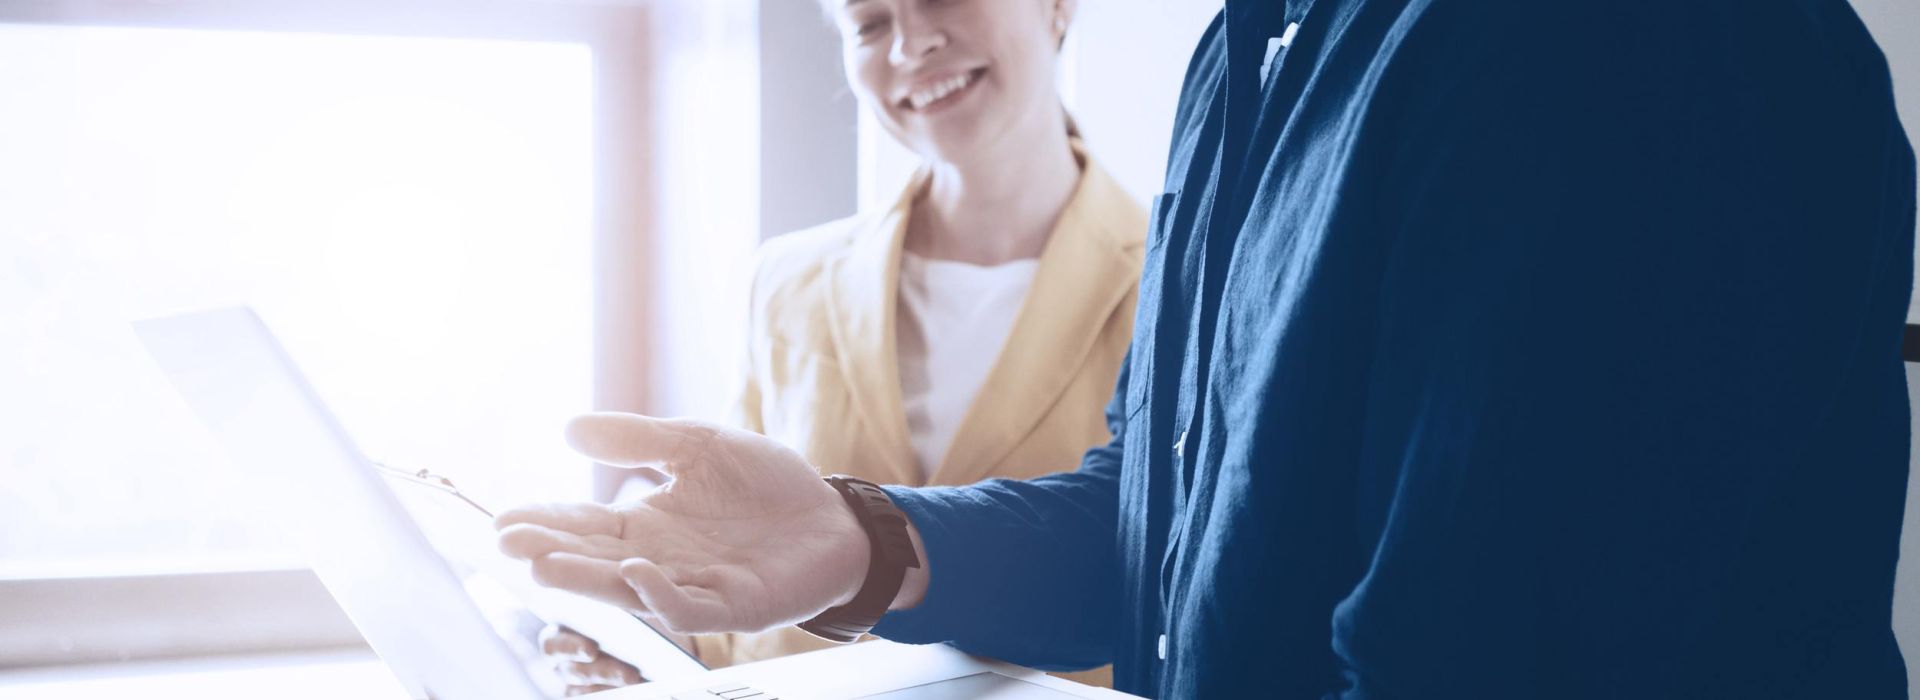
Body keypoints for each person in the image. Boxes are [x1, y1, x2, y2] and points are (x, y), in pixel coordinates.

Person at [499, 0, 1917, 697]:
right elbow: (1177, 529)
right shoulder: (1252, 49)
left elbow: (1487, 648)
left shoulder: (1618, 48)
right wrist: (865, 543)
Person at [533, 0, 1143, 692]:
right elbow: (748, 594)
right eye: (870, 24)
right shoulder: (786, 280)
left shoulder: (1180, 281)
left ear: (1057, 7)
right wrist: (665, 637)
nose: (910, 45)